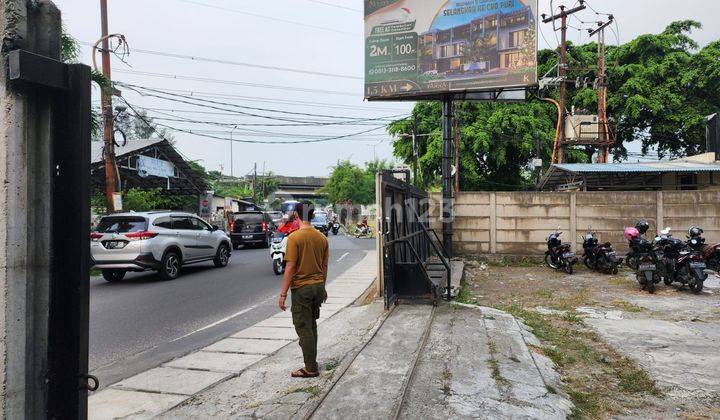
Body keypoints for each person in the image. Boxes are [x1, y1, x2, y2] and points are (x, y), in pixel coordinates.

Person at [278, 201, 329, 378]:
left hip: (302, 289)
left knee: (303, 326)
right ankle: (312, 361)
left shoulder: (294, 238)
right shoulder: (322, 237)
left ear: (297, 215)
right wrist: (323, 287)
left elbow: (290, 267)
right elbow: (324, 265)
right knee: (312, 324)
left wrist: (283, 294)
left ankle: (310, 368)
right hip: (317, 286)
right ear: (313, 215)